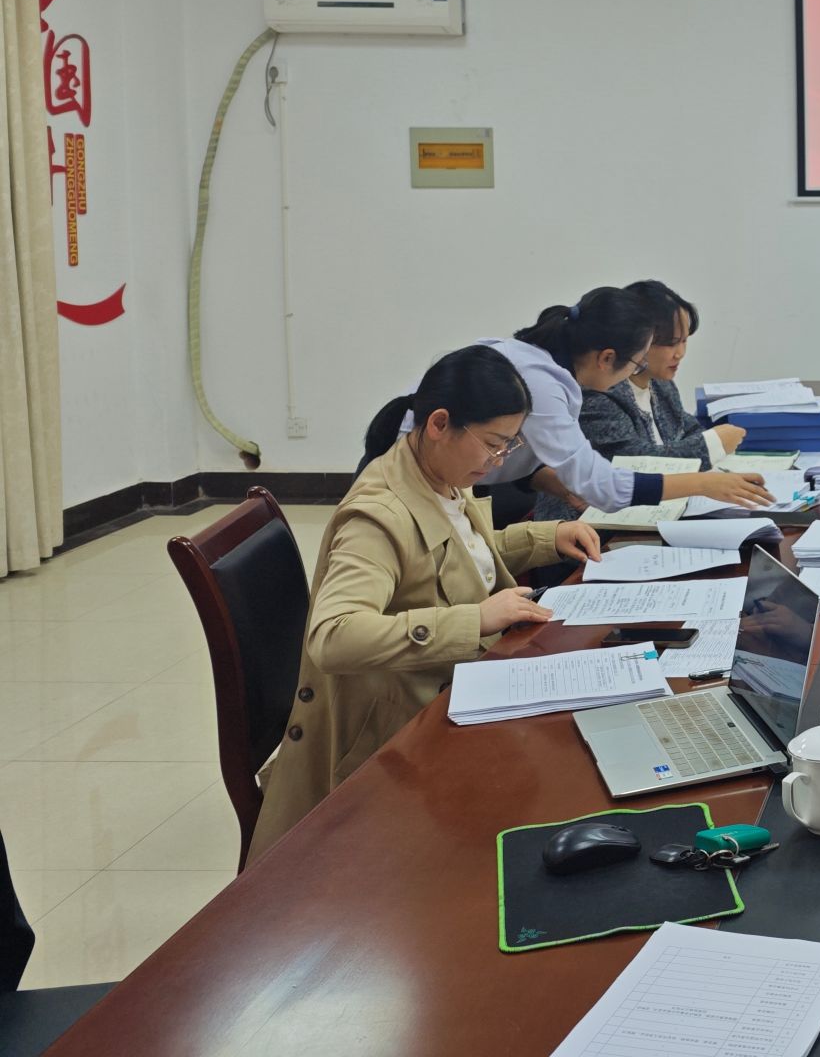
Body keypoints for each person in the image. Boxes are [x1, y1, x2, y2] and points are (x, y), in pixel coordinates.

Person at [247, 345, 604, 864]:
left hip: (440, 694)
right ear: (440, 424)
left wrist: (549, 536)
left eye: (509, 446)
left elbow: (459, 555)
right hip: (391, 738)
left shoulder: (436, 475)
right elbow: (333, 635)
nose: (499, 461)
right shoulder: (377, 515)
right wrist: (476, 619)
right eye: (493, 445)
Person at [387, 287, 775, 522]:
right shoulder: (543, 384)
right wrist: (704, 483)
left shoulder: (543, 366)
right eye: (636, 363)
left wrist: (548, 479)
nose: (636, 373)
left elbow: (531, 455)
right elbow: (601, 486)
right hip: (415, 481)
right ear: (606, 358)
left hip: (448, 485)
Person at [534, 279, 746, 521]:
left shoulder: (660, 383)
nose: (680, 353)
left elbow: (687, 429)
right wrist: (712, 445)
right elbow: (632, 463)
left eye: (684, 340)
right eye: (670, 343)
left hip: (649, 514)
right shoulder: (597, 390)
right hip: (585, 526)